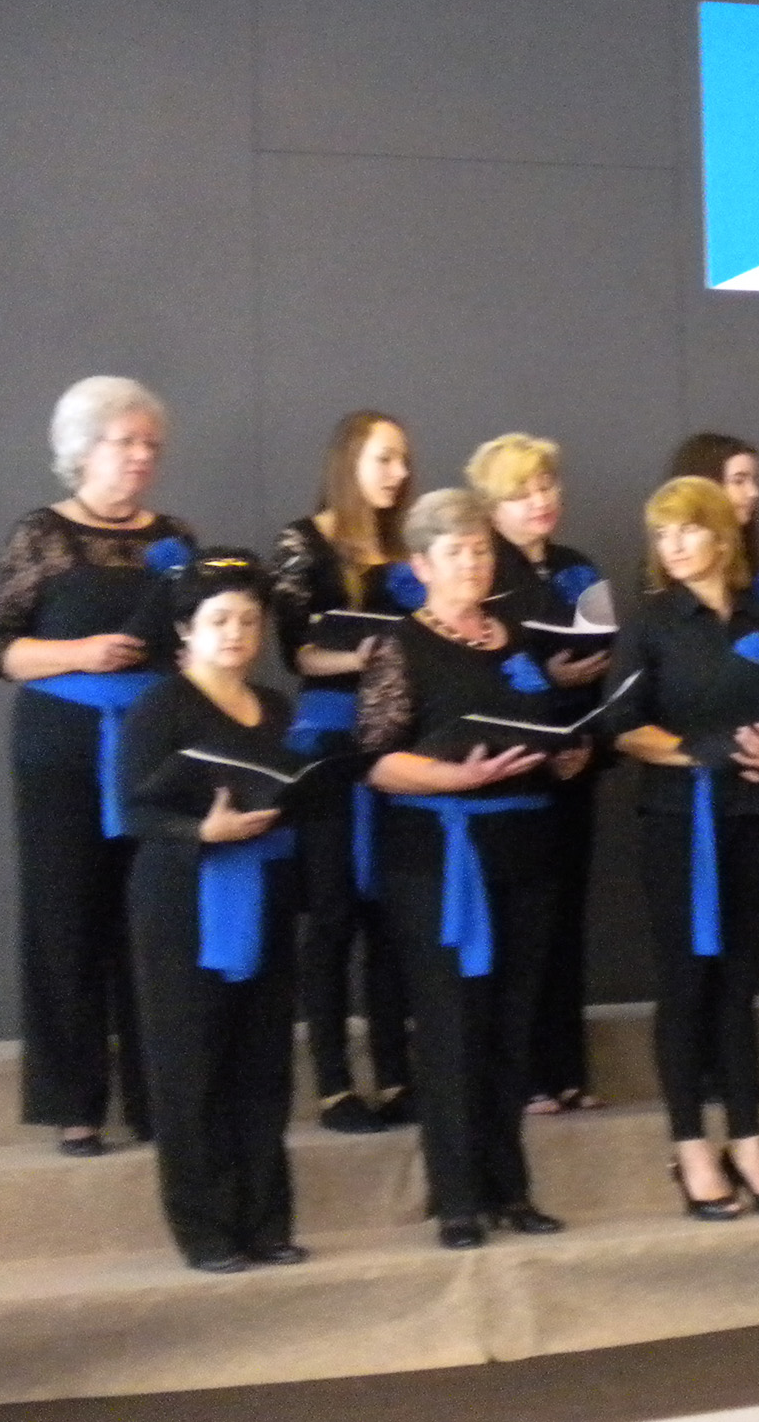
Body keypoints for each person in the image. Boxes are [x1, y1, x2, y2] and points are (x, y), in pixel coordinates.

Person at [357, 489, 588, 1249]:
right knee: (453, 1026)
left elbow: (545, 727)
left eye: (482, 550)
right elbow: (377, 761)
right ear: (421, 565)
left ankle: (509, 1189)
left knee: (513, 1026)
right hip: (440, 858)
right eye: (456, 552)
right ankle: (457, 1198)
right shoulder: (401, 645)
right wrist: (453, 778)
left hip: (526, 847)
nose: (473, 564)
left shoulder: (516, 639)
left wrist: (567, 752)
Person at [0, 376, 193, 1156]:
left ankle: (157, 1097)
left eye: (150, 444)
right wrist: (80, 653)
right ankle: (74, 1103)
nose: (140, 456)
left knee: (154, 916)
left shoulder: (176, 538)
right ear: (81, 449)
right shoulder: (42, 535)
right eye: (124, 441)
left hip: (156, 744)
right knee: (65, 917)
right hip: (61, 746)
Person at [610, 478, 759, 1218]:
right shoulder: (653, 623)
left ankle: (749, 1139)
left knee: (740, 983)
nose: (674, 545)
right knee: (687, 982)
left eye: (688, 529)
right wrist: (700, 752)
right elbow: (622, 727)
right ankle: (691, 1144)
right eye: (663, 534)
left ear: (722, 537)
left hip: (753, 814)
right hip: (678, 819)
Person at [119, 550, 305, 1272]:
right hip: (183, 899)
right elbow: (133, 812)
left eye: (249, 621)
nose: (236, 634)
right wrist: (203, 831)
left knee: (263, 1065)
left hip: (263, 889)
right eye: (220, 620)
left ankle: (266, 1222)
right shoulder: (158, 706)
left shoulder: (276, 706)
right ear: (185, 630)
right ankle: (204, 1230)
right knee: (190, 1066)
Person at [269, 409, 416, 1135]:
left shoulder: (406, 549)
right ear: (348, 460)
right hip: (330, 740)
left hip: (396, 742)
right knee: (330, 913)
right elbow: (295, 651)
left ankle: (396, 1073)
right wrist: (359, 658)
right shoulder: (303, 542)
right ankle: (332, 1083)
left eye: (403, 460)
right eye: (384, 458)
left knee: (390, 916)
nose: (399, 473)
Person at [466, 433, 612, 1117]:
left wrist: (587, 743)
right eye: (522, 492)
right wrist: (549, 678)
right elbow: (474, 675)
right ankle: (518, 1074)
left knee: (565, 920)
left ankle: (566, 1067)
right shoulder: (480, 570)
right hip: (506, 772)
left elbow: (606, 666)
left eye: (547, 486)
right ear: (491, 505)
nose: (540, 501)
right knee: (512, 931)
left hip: (571, 762)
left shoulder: (579, 569)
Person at [669, 432, 759, 608]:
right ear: (704, 485)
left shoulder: (746, 557)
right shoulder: (673, 567)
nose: (754, 492)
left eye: (753, 480)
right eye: (738, 481)